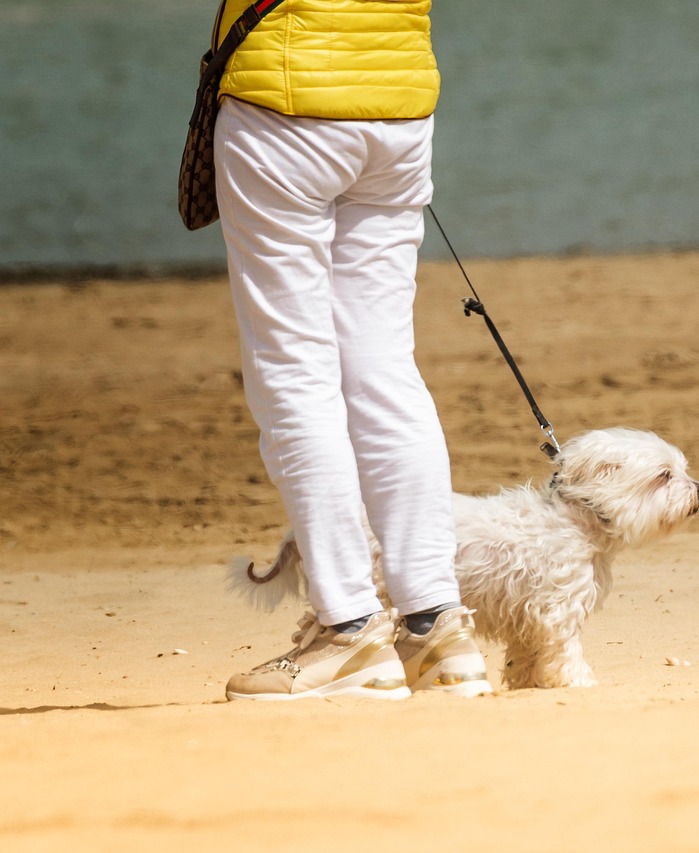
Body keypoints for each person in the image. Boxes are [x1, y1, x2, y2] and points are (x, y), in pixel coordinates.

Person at [211, 0, 492, 700]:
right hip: (399, 101)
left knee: (293, 371)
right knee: (385, 366)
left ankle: (348, 629)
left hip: (284, 94)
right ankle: (438, 631)